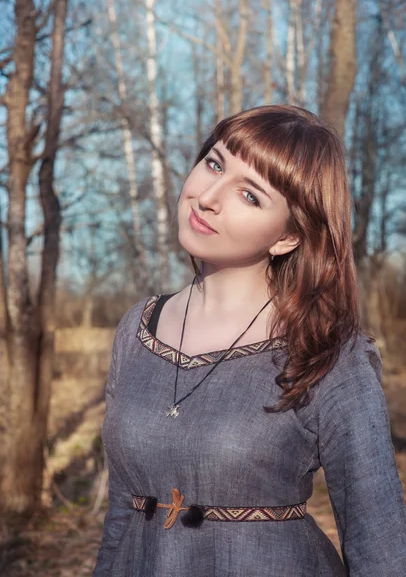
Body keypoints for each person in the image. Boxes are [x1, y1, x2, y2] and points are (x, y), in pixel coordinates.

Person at [92, 105, 406, 577]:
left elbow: (378, 542)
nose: (209, 197)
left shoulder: (327, 351)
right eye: (215, 164)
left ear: (288, 237)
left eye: (250, 195)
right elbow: (124, 507)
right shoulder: (137, 328)